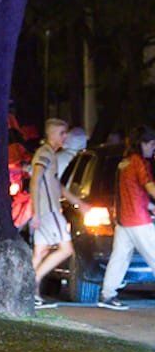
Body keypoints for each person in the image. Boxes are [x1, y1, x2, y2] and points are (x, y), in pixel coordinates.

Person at [30, 118, 87, 309]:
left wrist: (78, 202)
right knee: (66, 249)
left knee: (41, 251)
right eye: (62, 133)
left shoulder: (49, 154)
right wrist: (36, 212)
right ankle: (32, 283)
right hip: (49, 211)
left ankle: (29, 293)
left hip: (46, 211)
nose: (65, 137)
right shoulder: (45, 154)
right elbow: (35, 180)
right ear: (52, 134)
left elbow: (57, 185)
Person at [98, 127, 155, 311]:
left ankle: (107, 295)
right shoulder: (140, 162)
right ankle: (108, 294)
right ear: (143, 143)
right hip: (138, 219)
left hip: (124, 219)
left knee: (120, 258)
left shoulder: (124, 162)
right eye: (152, 144)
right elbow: (149, 188)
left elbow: (132, 192)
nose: (153, 149)